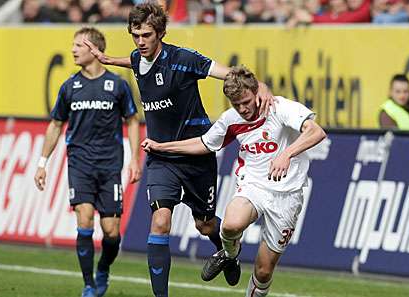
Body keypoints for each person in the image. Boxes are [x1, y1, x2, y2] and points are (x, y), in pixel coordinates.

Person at [83, 3, 274, 296]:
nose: (140, 41)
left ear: (160, 33)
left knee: (205, 224)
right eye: (135, 35)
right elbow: (132, 60)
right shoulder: (138, 58)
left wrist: (258, 85)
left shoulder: (183, 59)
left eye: (146, 35)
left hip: (196, 155)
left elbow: (225, 73)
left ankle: (229, 253)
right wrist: (106, 58)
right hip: (160, 157)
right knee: (160, 222)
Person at [141, 65, 326, 297]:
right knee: (230, 225)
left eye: (246, 102)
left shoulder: (280, 108)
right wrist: (161, 146)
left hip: (287, 195)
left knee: (264, 270)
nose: (243, 109)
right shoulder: (231, 119)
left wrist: (286, 154)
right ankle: (229, 254)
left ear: (256, 91)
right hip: (253, 186)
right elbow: (203, 143)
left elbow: (316, 132)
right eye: (236, 104)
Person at [33, 27, 141, 297]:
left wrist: (135, 159)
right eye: (73, 45)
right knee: (84, 220)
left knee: (111, 232)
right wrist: (42, 162)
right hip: (80, 164)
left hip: (109, 166)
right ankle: (89, 284)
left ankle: (103, 267)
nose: (73, 50)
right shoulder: (69, 86)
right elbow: (56, 125)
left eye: (79, 45)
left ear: (95, 50)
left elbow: (132, 121)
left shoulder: (117, 85)